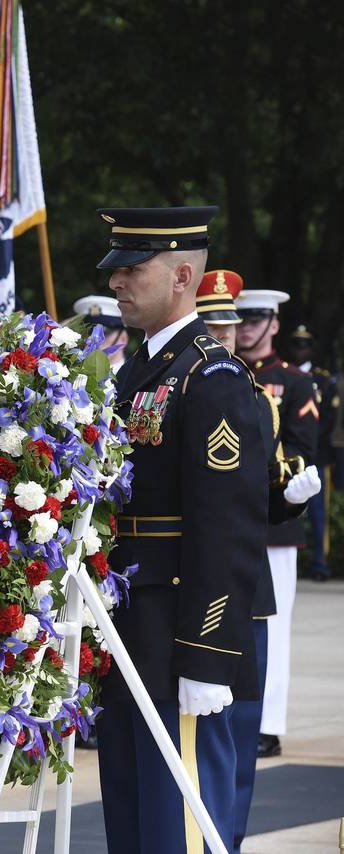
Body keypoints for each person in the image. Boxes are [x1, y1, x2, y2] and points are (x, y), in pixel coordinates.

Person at [93, 206, 267, 853]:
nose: (117, 283)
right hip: (133, 626)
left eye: (133, 270)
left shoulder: (211, 377)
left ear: (182, 275)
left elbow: (227, 529)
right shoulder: (139, 372)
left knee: (183, 825)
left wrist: (208, 653)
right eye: (116, 270)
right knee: (137, 820)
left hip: (178, 637)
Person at [196, 269, 321, 850]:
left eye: (235, 323)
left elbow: (282, 462)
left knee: (246, 702)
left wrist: (288, 494)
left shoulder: (270, 391)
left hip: (257, 549)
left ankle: (230, 833)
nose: (231, 334)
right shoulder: (204, 385)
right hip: (201, 557)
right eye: (218, 324)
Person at [232, 287, 319, 761]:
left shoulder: (294, 383)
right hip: (234, 518)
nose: (246, 327)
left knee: (273, 625)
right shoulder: (227, 374)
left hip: (277, 519)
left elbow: (305, 446)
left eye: (256, 320)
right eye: (241, 320)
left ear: (274, 324)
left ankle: (269, 722)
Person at [284, 324, 338, 582]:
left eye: (304, 345)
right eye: (296, 344)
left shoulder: (324, 380)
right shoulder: (285, 376)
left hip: (317, 456)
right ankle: (295, 559)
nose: (300, 350)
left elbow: (329, 418)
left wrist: (311, 447)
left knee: (318, 514)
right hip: (290, 455)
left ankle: (320, 563)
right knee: (287, 507)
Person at [73, 294, 129, 372]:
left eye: (103, 333)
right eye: (89, 332)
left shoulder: (135, 376)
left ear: (123, 339)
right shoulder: (71, 375)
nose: (93, 339)